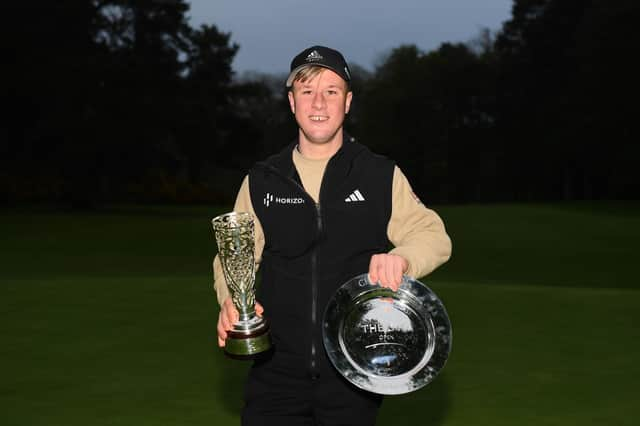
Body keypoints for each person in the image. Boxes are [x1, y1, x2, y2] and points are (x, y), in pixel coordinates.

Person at [213, 45, 452, 426]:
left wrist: (403, 258)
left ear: (348, 102)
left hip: (352, 378)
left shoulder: (378, 174)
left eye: (331, 90)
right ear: (292, 102)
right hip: (275, 376)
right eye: (306, 91)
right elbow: (234, 255)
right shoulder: (262, 179)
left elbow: (433, 235)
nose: (318, 102)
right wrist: (230, 301)